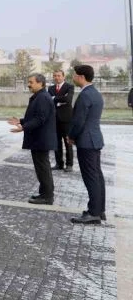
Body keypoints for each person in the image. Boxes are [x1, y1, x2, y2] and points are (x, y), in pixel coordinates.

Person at [8, 74, 57, 205]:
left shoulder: (43, 98)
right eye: (28, 82)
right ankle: (44, 193)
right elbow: (36, 116)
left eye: (31, 82)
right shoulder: (40, 96)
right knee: (41, 167)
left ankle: (47, 196)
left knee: (43, 168)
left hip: (41, 139)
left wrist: (23, 127)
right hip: (39, 139)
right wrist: (21, 121)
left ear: (40, 83)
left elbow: (40, 119)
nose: (28, 84)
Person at [68, 65, 106, 224]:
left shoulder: (85, 95)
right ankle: (99, 209)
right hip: (95, 140)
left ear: (81, 77)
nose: (73, 78)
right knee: (97, 176)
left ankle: (93, 213)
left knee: (91, 177)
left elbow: (78, 121)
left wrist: (71, 136)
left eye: (75, 75)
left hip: (86, 141)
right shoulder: (96, 93)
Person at [48, 70, 75, 172]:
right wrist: (61, 100)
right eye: (54, 76)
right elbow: (48, 101)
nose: (56, 78)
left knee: (68, 142)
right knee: (56, 143)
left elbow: (68, 100)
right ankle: (59, 164)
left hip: (66, 119)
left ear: (63, 77)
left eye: (59, 76)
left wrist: (54, 98)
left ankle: (69, 165)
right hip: (54, 119)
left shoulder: (69, 87)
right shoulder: (50, 88)